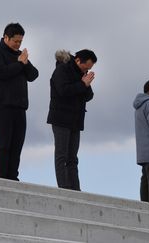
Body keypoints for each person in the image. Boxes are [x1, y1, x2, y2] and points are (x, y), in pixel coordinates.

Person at [0, 23, 39, 180]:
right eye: (15, 41)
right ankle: (1, 177)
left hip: (20, 107)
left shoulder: (20, 56)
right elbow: (0, 73)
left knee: (17, 145)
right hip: (2, 107)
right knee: (3, 145)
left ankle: (13, 177)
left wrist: (25, 62)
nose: (18, 44)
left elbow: (34, 75)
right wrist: (19, 64)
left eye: (20, 42)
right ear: (6, 37)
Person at [47, 49, 97, 191]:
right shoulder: (62, 70)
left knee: (73, 158)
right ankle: (64, 187)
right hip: (61, 118)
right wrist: (82, 84)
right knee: (61, 155)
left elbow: (89, 96)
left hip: (76, 120)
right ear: (77, 60)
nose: (87, 70)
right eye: (85, 67)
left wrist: (85, 84)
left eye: (89, 68)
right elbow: (63, 91)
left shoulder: (82, 74)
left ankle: (75, 189)